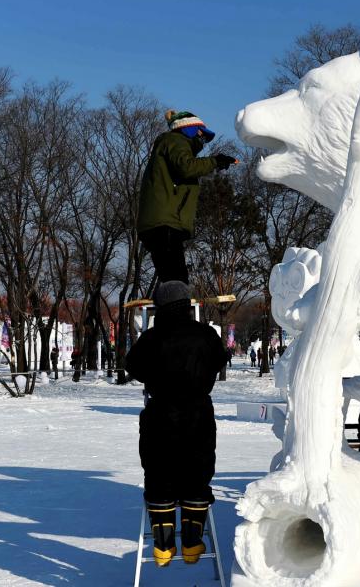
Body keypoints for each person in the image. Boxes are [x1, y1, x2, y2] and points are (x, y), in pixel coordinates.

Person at [125, 281, 228, 567]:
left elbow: (132, 366)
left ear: (160, 306)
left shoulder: (152, 338)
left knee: (159, 471)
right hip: (198, 412)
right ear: (186, 303)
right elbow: (221, 359)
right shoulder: (206, 334)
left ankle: (163, 547)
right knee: (198, 470)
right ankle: (193, 543)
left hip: (161, 413)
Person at [137, 110, 237, 284]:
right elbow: (187, 167)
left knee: (170, 278)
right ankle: (175, 308)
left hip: (160, 222)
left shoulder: (169, 145)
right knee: (177, 279)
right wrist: (216, 161)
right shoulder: (176, 141)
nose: (203, 141)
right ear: (189, 130)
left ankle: (166, 308)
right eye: (201, 135)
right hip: (164, 223)